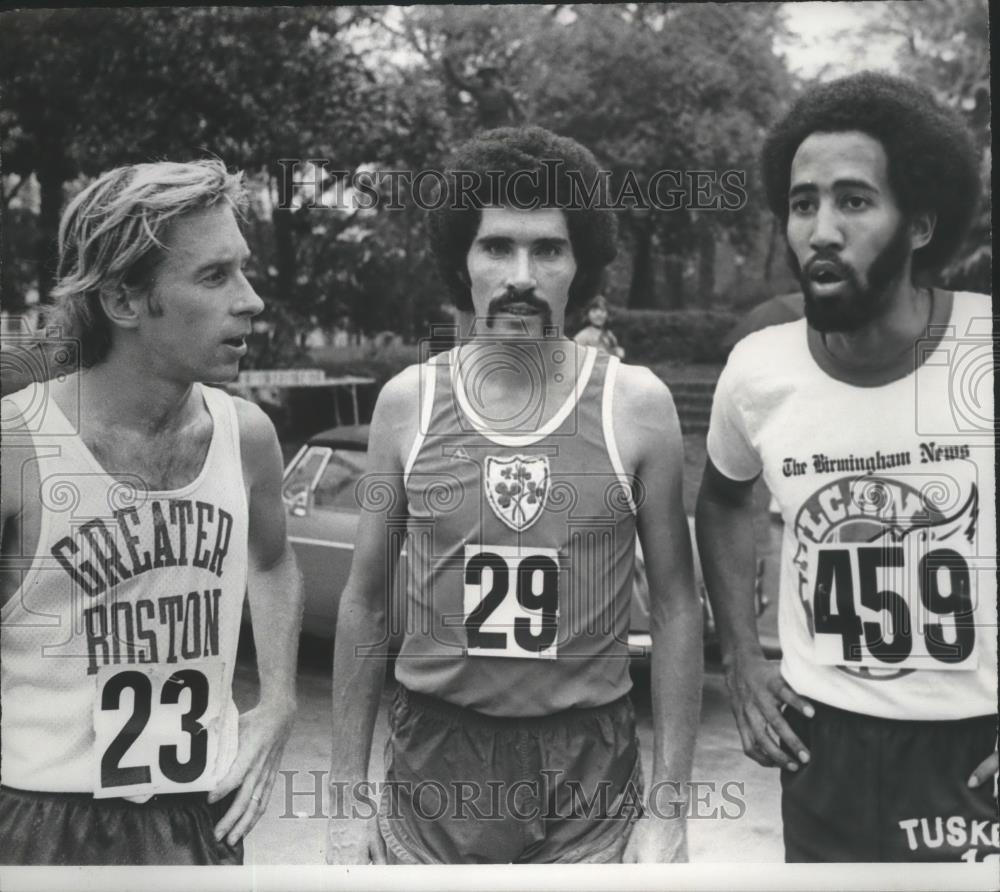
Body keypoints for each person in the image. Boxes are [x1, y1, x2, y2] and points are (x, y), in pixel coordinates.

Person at [326, 126, 702, 864]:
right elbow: (363, 603)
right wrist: (344, 801)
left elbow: (679, 606)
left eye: (548, 249)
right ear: (460, 259)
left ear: (580, 265)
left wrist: (670, 810)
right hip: (435, 764)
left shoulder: (637, 404)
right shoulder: (408, 402)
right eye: (497, 246)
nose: (521, 274)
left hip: (587, 769)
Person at [696, 72, 998, 862]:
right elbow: (724, 500)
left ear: (921, 223)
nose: (820, 230)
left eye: (854, 202)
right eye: (803, 204)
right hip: (824, 748)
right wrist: (741, 658)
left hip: (976, 749)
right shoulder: (760, 370)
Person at [0, 160, 303, 865]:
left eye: (244, 269)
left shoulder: (246, 435)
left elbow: (272, 559)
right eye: (213, 276)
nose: (251, 299)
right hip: (43, 826)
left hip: (198, 821)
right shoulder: (17, 444)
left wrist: (282, 700)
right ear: (124, 299)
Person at [442, 55, 523, 130]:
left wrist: (516, 127)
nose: (487, 76)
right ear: (481, 76)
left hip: (506, 128)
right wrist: (448, 68)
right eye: (484, 74)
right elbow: (458, 83)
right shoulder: (478, 91)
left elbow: (517, 111)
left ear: (493, 75)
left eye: (489, 73)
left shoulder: (503, 92)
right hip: (488, 130)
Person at [573, 294, 625, 358]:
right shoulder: (583, 335)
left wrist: (618, 351)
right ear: (587, 315)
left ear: (608, 315)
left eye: (603, 311)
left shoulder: (609, 334)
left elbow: (615, 350)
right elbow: (573, 354)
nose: (598, 315)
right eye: (594, 311)